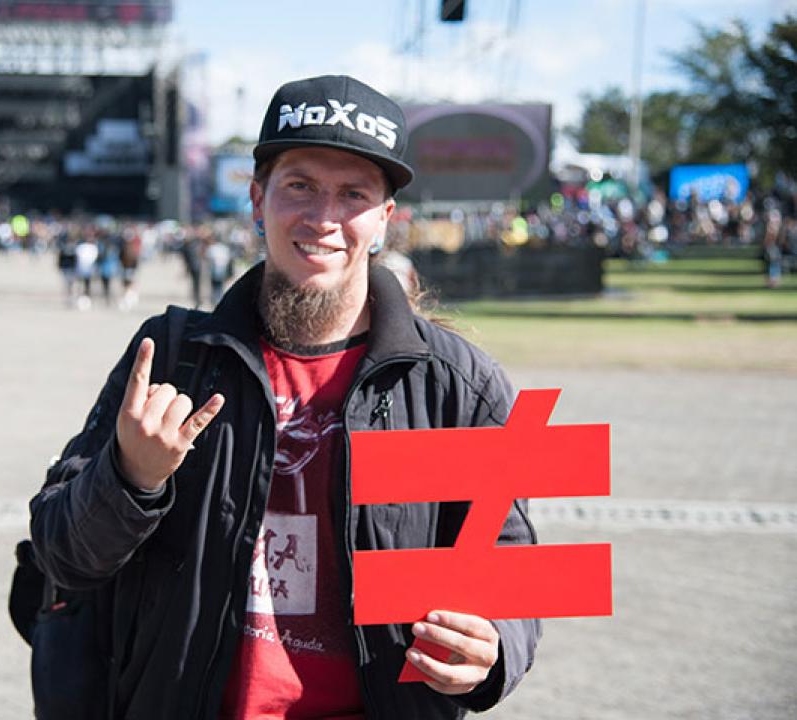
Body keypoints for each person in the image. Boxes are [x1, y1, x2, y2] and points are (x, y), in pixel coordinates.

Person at [29, 75, 539, 719]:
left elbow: (513, 566)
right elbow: (62, 555)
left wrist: (495, 644)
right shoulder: (173, 358)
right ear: (256, 200)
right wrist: (132, 478)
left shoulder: (455, 384)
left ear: (384, 220)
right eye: (299, 185)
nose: (323, 217)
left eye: (353, 194)